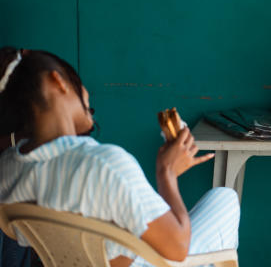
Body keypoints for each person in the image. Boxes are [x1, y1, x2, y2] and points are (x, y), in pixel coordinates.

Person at [0, 47, 240, 267]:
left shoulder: (7, 168)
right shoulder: (102, 164)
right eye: (79, 84)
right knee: (225, 198)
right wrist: (167, 172)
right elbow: (177, 248)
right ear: (58, 81)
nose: (87, 96)